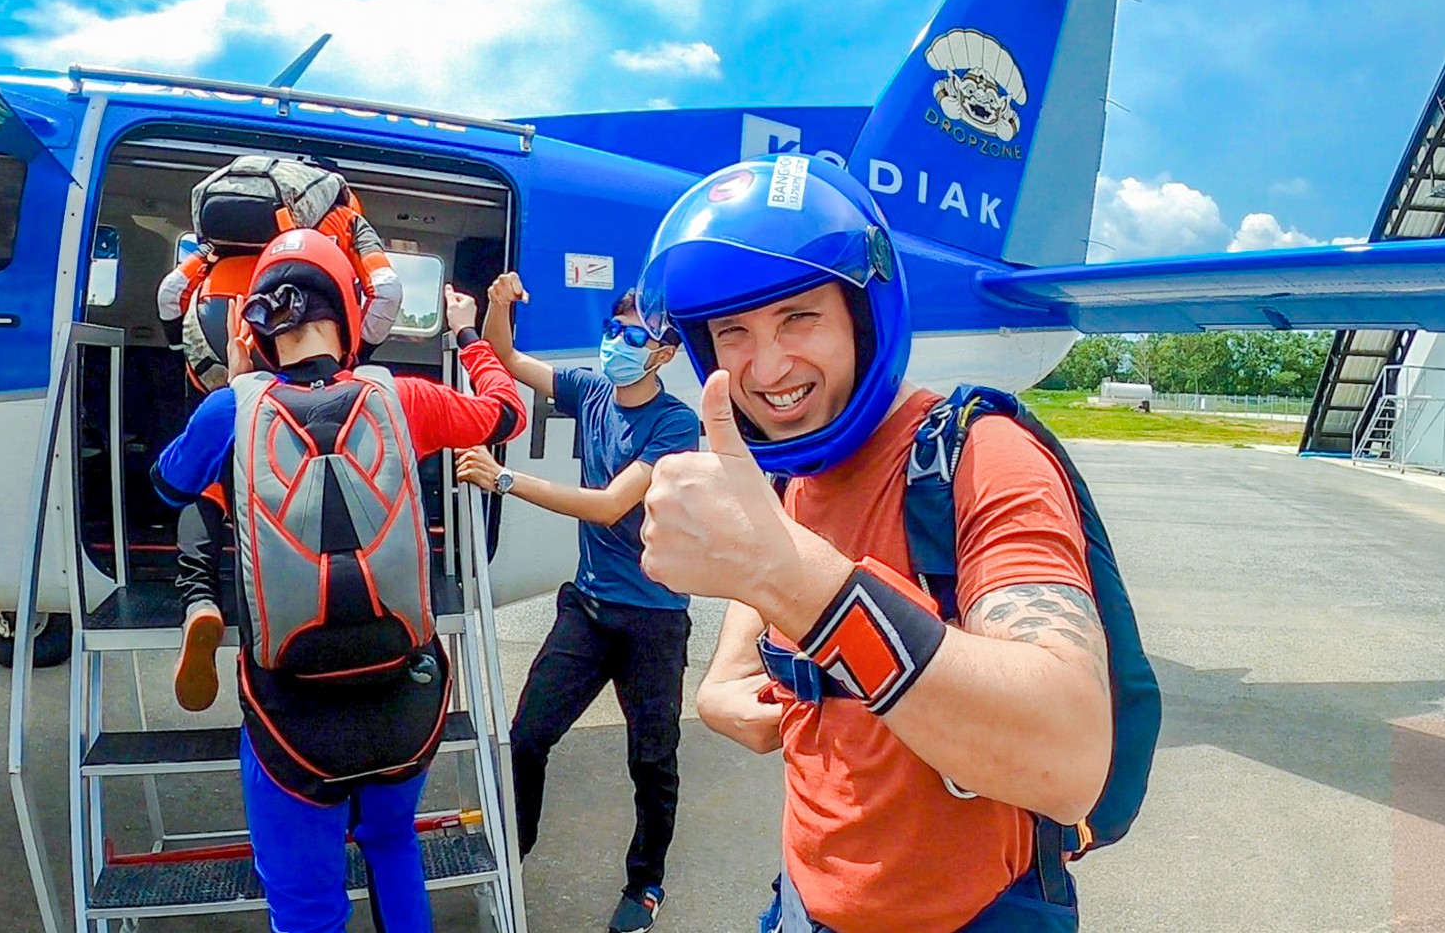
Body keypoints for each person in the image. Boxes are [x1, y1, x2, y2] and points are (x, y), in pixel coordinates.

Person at [634, 156, 1154, 932]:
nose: (767, 366)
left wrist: (799, 580)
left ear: (863, 315)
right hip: (807, 899)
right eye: (733, 332)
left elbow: (1071, 757)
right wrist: (716, 691)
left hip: (970, 912)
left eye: (798, 317)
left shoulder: (982, 459)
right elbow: (754, 640)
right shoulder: (784, 479)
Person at [150, 228, 526, 931]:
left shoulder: (232, 408)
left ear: (256, 326)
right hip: (402, 703)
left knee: (305, 903)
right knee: (391, 846)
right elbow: (506, 412)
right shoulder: (405, 397)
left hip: (292, 717)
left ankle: (194, 603)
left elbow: (171, 485)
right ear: (348, 313)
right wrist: (471, 338)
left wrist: (236, 386)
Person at [453, 272, 699, 933]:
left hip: (652, 620)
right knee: (526, 739)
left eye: (631, 335)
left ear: (663, 352)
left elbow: (610, 503)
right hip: (587, 610)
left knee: (652, 760)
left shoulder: (677, 424)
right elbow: (506, 359)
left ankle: (646, 883)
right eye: (611, 330)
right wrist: (496, 306)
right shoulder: (591, 388)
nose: (614, 343)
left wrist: (505, 478)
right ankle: (514, 850)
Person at [157, 159, 404, 713]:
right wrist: (352, 355)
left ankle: (199, 597)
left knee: (210, 479)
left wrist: (187, 346)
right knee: (290, 476)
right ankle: (299, 588)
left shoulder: (222, 228)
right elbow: (386, 290)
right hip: (300, 360)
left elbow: (172, 294)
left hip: (224, 359)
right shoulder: (344, 219)